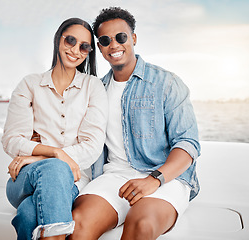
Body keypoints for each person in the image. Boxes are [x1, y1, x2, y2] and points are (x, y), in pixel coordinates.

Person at [69, 7, 201, 240]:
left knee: (141, 224)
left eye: (121, 37)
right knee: (78, 225)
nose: (115, 45)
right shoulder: (95, 91)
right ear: (99, 47)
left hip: (164, 178)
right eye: (105, 40)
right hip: (113, 177)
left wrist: (154, 179)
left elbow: (188, 144)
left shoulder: (167, 83)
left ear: (133, 39)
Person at [2, 17, 108, 240]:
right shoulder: (30, 84)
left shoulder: (93, 86)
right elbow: (12, 140)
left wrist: (39, 157)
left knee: (29, 215)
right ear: (58, 40)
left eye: (84, 46)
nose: (75, 50)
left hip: (73, 179)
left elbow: (92, 146)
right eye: (70, 40)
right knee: (55, 168)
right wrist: (55, 153)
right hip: (24, 180)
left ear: (89, 51)